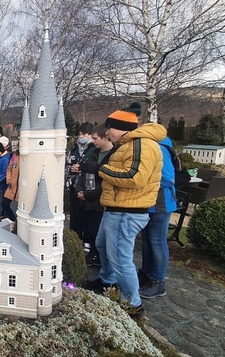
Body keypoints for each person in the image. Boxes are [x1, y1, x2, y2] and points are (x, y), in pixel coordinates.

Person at [81, 109, 165, 319]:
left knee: (120, 258)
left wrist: (99, 169)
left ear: (121, 128)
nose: (107, 132)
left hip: (127, 211)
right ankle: (107, 282)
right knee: (102, 245)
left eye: (109, 128)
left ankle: (133, 304)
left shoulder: (141, 145)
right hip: (116, 209)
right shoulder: (128, 145)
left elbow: (135, 177)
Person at [138, 135, 177, 299]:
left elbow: (169, 178)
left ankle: (158, 281)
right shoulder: (150, 146)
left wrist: (144, 178)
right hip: (149, 203)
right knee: (146, 240)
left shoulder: (159, 148)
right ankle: (147, 274)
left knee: (158, 242)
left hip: (161, 203)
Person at [75, 125, 114, 266]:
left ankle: (98, 257)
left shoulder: (113, 155)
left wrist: (88, 194)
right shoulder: (93, 154)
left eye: (95, 138)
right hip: (87, 200)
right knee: (89, 230)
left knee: (96, 231)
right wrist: (79, 190)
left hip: (99, 202)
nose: (92, 141)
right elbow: (84, 173)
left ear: (106, 137)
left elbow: (107, 181)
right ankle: (92, 254)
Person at [2, 140, 19, 224]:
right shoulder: (15, 156)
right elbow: (9, 169)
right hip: (12, 186)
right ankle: (13, 220)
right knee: (4, 204)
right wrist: (9, 180)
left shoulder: (29, 158)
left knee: (21, 209)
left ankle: (18, 225)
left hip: (22, 189)